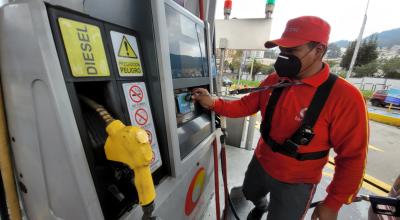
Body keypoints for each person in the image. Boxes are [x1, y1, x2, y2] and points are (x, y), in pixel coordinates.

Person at [192, 16, 368, 220]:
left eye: (292, 51)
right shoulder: (274, 81)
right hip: (261, 162)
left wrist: (333, 203)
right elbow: (245, 105)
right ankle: (261, 205)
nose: (284, 57)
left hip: (298, 181)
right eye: (282, 51)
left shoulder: (345, 97)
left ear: (318, 50)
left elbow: (353, 157)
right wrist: (214, 103)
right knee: (250, 193)